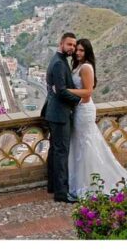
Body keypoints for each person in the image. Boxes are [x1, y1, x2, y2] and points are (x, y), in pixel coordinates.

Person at [63, 38, 127, 197]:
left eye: (82, 50)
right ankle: (80, 181)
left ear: (87, 52)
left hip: (84, 110)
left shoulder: (86, 67)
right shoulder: (77, 66)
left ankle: (89, 184)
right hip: (78, 109)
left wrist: (65, 90)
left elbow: (88, 93)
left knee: (86, 145)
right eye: (77, 50)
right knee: (80, 144)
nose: (78, 52)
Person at [40, 32, 82, 203]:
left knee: (55, 151)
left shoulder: (59, 60)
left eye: (74, 45)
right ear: (61, 43)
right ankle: (61, 193)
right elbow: (62, 91)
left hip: (55, 113)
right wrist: (80, 100)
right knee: (61, 153)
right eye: (69, 44)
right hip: (59, 115)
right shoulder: (58, 63)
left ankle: (53, 186)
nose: (72, 48)